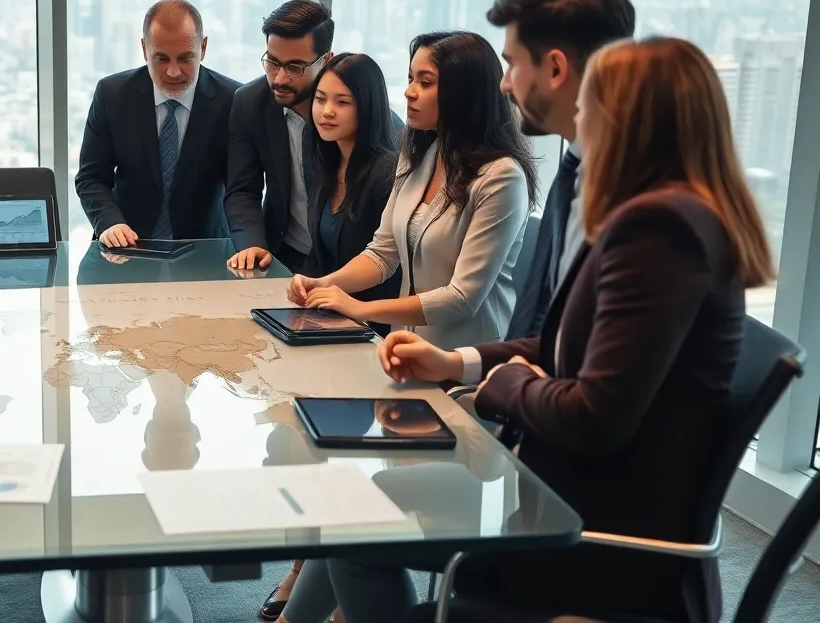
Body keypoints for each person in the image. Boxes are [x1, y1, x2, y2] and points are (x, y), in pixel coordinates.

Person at [317, 36, 774, 623]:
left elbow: (593, 415)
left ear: (633, 124)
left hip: (585, 530)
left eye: (590, 109)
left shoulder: (662, 232)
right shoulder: (662, 218)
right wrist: (457, 364)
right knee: (350, 512)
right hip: (556, 486)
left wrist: (505, 384)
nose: (578, 125)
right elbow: (564, 349)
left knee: (354, 525)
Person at [286, 32, 537, 349]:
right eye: (409, 78)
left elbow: (463, 298)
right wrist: (323, 285)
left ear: (463, 93)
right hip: (403, 345)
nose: (408, 92)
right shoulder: (419, 153)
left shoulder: (501, 177)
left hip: (467, 358)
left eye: (425, 82)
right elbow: (382, 254)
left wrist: (359, 309)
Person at [490, 0, 635, 339]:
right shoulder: (578, 171)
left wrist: (494, 386)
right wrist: (458, 363)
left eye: (512, 64)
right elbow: (550, 337)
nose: (505, 85)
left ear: (555, 68)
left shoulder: (634, 203)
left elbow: (597, 384)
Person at [76, 0, 242, 245]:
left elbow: (241, 189)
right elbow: (91, 178)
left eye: (185, 58)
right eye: (161, 59)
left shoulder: (233, 101)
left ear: (203, 47)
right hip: (127, 247)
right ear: (144, 49)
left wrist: (246, 241)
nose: (173, 72)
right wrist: (109, 223)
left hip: (205, 249)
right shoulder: (112, 95)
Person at [225, 0, 335, 272]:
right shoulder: (250, 103)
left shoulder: (352, 104)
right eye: (272, 62)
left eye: (295, 67)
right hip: (284, 255)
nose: (279, 79)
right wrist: (251, 243)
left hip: (347, 259)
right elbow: (242, 189)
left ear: (326, 60)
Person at [302, 52, 404, 334]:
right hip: (327, 317)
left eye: (342, 102)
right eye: (320, 99)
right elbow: (319, 251)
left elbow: (388, 266)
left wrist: (326, 287)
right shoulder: (323, 157)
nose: (327, 111)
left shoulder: (387, 171)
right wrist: (304, 283)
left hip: (374, 325)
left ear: (367, 107)